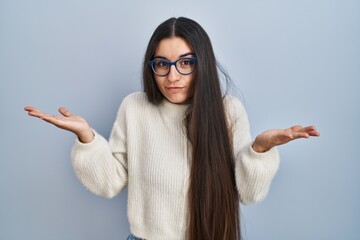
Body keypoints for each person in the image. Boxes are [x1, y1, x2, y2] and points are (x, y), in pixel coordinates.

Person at [24, 17, 320, 240]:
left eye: (186, 63)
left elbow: (248, 193)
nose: (173, 76)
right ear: (151, 67)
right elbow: (110, 182)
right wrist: (87, 138)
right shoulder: (135, 107)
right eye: (162, 64)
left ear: (202, 64)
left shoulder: (227, 111)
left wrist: (259, 150)